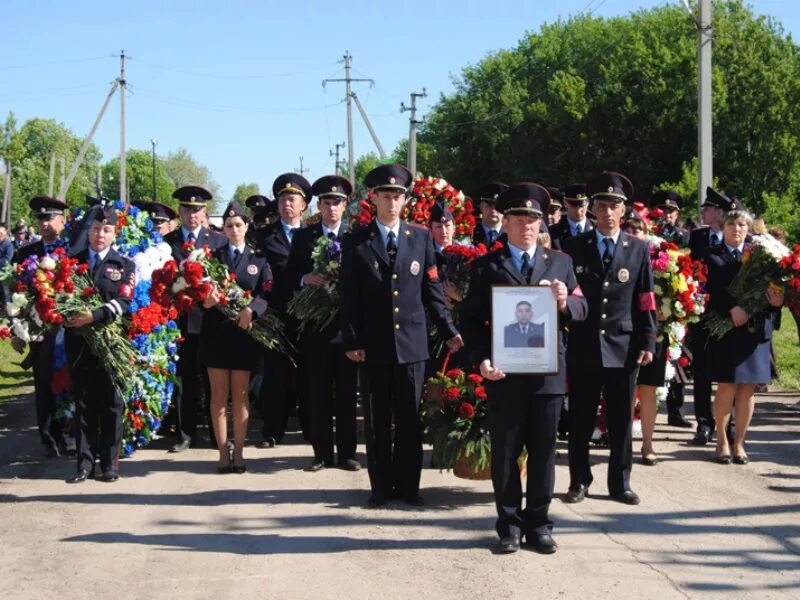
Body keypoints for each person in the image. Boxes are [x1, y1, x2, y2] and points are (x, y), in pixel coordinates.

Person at [460, 182, 587, 553]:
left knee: (545, 450)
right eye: (518, 218)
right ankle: (509, 525)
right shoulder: (486, 266)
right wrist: (481, 358)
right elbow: (468, 319)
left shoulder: (561, 263)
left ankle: (539, 523)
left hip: (547, 374)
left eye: (532, 218)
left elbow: (583, 310)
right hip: (505, 374)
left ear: (541, 222)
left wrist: (565, 303)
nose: (526, 225)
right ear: (506, 222)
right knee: (505, 451)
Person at [340, 163, 463, 507]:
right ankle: (380, 487)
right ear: (374, 198)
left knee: (409, 419)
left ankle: (409, 487)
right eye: (386, 196)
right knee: (378, 420)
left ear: (405, 200)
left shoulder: (420, 237)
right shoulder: (356, 241)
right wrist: (352, 341)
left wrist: (448, 330)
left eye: (398, 196)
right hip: (374, 346)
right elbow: (349, 297)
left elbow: (433, 290)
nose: (392, 202)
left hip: (412, 345)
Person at [562, 171, 657, 506]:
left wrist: (648, 340)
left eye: (613, 205)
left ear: (623, 210)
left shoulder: (638, 248)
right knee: (581, 418)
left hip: (624, 344)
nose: (607, 212)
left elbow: (645, 298)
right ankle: (579, 480)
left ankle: (620, 482)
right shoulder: (573, 248)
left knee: (620, 419)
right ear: (592, 209)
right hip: (585, 346)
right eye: (601, 205)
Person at [282, 175, 361, 473]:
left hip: (346, 329)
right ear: (318, 204)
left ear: (345, 205)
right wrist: (306, 279)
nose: (332, 207)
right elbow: (287, 278)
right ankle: (322, 453)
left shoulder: (355, 236)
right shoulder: (305, 237)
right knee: (317, 394)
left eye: (337, 202)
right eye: (327, 201)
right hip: (316, 328)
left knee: (346, 395)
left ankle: (348, 453)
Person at [199, 201, 273, 473]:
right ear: (224, 228)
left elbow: (266, 293)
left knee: (241, 395)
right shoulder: (212, 258)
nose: (233, 230)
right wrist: (205, 301)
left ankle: (239, 452)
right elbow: (198, 293)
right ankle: (222, 453)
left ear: (247, 227)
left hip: (244, 334)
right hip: (216, 333)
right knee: (218, 395)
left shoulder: (259, 258)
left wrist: (251, 310)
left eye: (238, 225)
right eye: (229, 226)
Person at [706, 209, 783, 464]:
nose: (736, 229)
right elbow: (714, 290)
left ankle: (739, 442)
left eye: (741, 225)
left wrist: (775, 302)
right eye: (731, 224)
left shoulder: (760, 258)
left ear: (748, 229)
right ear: (723, 227)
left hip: (754, 330)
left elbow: (769, 290)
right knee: (727, 385)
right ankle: (721, 441)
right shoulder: (714, 257)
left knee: (748, 389)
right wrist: (732, 309)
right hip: (728, 327)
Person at [64, 206, 135, 483]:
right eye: (95, 229)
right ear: (88, 231)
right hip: (79, 344)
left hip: (110, 347)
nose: (99, 235)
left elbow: (124, 302)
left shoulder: (124, 265)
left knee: (110, 404)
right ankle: (84, 463)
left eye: (106, 230)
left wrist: (93, 316)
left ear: (115, 233)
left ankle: (109, 463)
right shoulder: (71, 262)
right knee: (83, 402)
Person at [163, 185, 227, 452]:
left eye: (197, 209)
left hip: (211, 320)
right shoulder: (168, 242)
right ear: (179, 211)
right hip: (181, 320)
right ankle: (186, 434)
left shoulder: (218, 241)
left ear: (205, 212)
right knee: (185, 380)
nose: (192, 214)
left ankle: (217, 434)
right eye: (187, 209)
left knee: (213, 381)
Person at [12, 197, 70, 456]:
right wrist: (17, 329)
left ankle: (72, 432)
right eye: (40, 219)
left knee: (71, 382)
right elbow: (14, 294)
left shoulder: (73, 250)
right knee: (45, 384)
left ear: (62, 220)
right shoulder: (26, 254)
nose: (45, 224)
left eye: (50, 218)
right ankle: (49, 438)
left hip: (72, 329)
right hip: (40, 330)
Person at [256, 173, 310, 448]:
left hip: (310, 316)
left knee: (309, 373)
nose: (287, 203)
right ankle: (272, 430)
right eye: (283, 199)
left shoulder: (313, 234)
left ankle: (310, 428)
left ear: (304, 205)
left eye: (293, 199)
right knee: (275, 375)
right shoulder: (265, 236)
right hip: (277, 314)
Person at [688, 187, 729, 445]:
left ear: (720, 212)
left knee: (729, 372)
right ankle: (704, 423)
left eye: (708, 208)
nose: (703, 212)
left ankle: (729, 423)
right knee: (701, 370)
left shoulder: (735, 236)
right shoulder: (697, 237)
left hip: (727, 316)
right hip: (703, 313)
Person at [549, 184, 594, 250]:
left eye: (582, 205)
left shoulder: (597, 229)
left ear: (588, 203)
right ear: (565, 203)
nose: (578, 211)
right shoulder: (553, 232)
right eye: (574, 206)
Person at [472, 182, 508, 247]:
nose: (493, 210)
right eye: (489, 205)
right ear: (481, 207)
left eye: (497, 207)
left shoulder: (511, 235)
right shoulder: (470, 233)